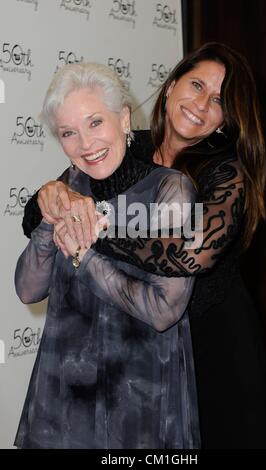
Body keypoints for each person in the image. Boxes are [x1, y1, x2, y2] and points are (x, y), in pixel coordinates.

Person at [22, 43, 266, 449]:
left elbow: (184, 255)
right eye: (196, 84)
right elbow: (37, 215)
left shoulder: (225, 172)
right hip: (142, 351)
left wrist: (94, 225)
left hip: (211, 340)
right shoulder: (128, 145)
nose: (200, 102)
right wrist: (55, 195)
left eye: (217, 100)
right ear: (171, 86)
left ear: (225, 119)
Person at [14, 62, 201, 449]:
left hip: (141, 403)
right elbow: (27, 290)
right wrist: (49, 221)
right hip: (63, 400)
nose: (85, 144)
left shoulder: (172, 191)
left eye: (95, 122)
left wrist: (85, 256)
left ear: (125, 118)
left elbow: (163, 311)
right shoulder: (69, 186)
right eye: (69, 132)